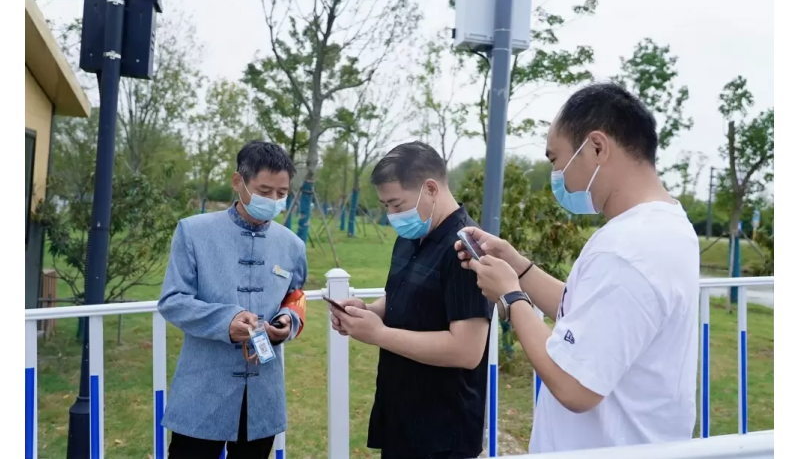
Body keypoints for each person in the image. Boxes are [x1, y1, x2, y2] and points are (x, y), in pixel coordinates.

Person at [456, 82, 700, 454]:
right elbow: (588, 310)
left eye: (557, 160)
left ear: (597, 147)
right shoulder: (665, 226)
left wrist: (511, 297)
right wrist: (518, 267)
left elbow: (574, 386)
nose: (558, 177)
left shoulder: (627, 249)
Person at [329, 141, 493, 459]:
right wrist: (368, 311)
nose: (391, 215)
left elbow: (467, 350)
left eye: (396, 204)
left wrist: (379, 334)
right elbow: (404, 299)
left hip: (442, 431)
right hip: (401, 414)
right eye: (386, 205)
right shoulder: (412, 236)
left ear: (430, 188)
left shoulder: (465, 249)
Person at [158, 141, 308, 459]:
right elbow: (173, 300)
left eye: (281, 194)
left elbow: (296, 296)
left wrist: (288, 322)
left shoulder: (292, 245)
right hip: (203, 385)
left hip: (263, 388)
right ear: (238, 181)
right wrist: (227, 320)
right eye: (265, 190)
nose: (273, 200)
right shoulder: (194, 232)